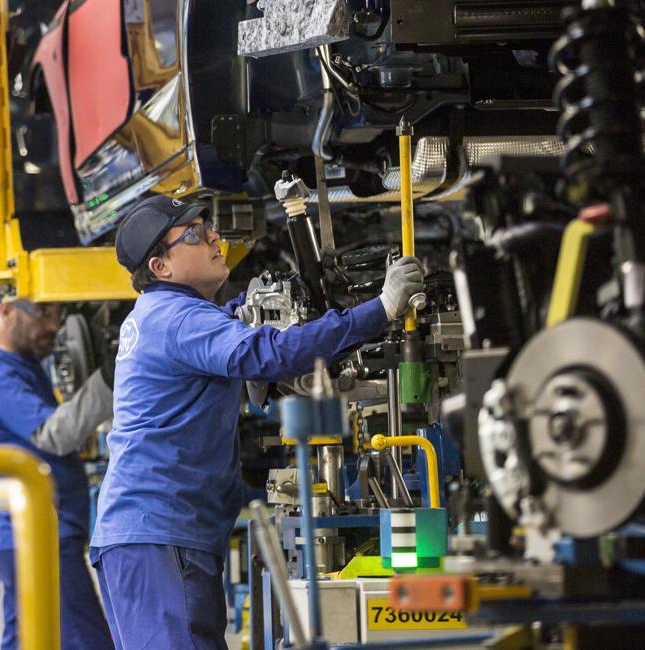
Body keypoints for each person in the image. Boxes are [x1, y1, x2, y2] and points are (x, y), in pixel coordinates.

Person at [91, 195, 425, 648]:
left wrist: (238, 316)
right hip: (161, 535)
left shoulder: (159, 315)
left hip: (153, 533)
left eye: (206, 223)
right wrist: (379, 309)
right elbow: (266, 355)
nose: (213, 236)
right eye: (193, 233)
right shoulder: (177, 319)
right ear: (161, 266)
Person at [0, 297, 115, 650]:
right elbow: (54, 433)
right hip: (37, 534)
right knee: (86, 642)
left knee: (24, 641)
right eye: (43, 313)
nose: (53, 325)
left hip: (18, 533)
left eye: (59, 314)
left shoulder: (1, 360)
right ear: (6, 309)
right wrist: (108, 380)